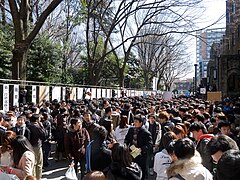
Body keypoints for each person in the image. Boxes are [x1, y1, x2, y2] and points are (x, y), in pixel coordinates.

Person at [124, 114, 153, 180]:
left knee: (141, 170)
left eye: (136, 122)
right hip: (132, 153)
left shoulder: (146, 133)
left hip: (141, 155)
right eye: (134, 121)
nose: (134, 123)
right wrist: (125, 145)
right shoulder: (131, 129)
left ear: (141, 123)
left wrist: (141, 149)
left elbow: (149, 145)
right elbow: (127, 139)